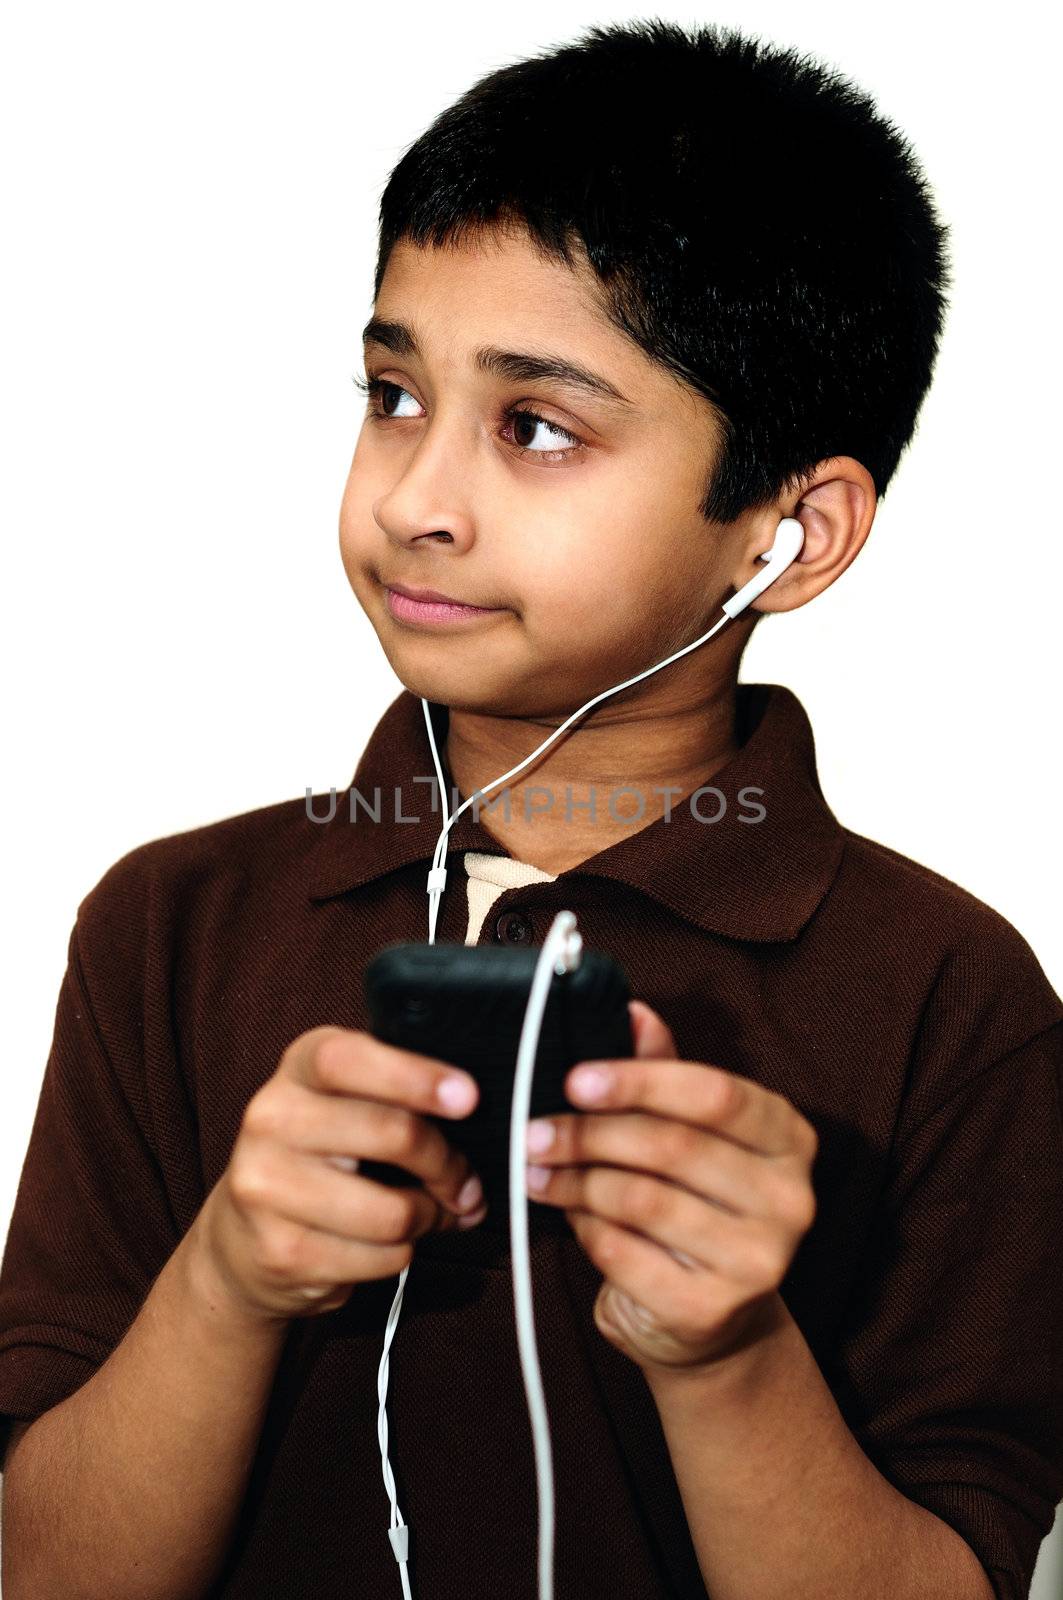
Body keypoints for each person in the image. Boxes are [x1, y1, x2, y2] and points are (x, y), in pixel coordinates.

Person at [1, 19, 1060, 1600]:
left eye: (537, 427)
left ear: (792, 535)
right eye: (389, 391)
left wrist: (726, 1355)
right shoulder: (172, 925)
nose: (414, 498)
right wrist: (226, 1280)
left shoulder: (949, 997)